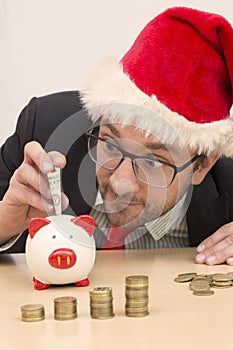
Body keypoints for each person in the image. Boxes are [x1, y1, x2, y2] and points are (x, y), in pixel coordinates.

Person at [0, 6, 233, 266]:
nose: (121, 183)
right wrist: (3, 225)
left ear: (202, 165)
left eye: (153, 162)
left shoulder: (228, 187)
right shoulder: (42, 130)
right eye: (110, 144)